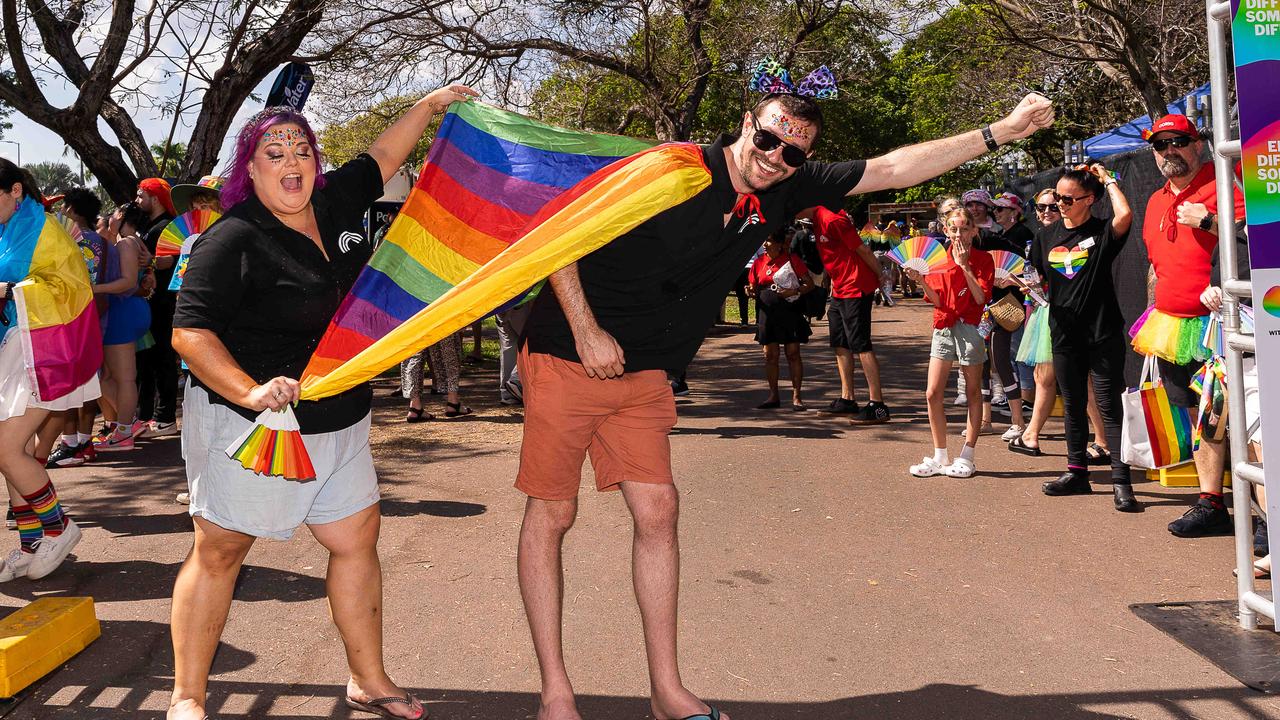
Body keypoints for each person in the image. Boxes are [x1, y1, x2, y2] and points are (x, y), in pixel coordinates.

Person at [515, 75, 1054, 720]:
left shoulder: (787, 188)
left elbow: (892, 168)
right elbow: (560, 230)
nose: (776, 158)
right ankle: (556, 695)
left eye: (793, 153)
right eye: (768, 140)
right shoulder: (670, 170)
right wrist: (585, 328)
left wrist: (998, 132)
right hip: (570, 353)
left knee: (658, 513)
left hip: (646, 372)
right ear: (748, 124)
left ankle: (666, 692)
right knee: (552, 515)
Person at [167, 84, 478, 720]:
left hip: (340, 416)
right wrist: (250, 391)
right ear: (249, 171)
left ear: (316, 160)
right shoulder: (231, 239)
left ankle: (368, 680)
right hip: (247, 424)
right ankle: (187, 698)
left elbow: (382, 158)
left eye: (301, 150)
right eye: (273, 153)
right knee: (221, 549)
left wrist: (429, 105)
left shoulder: (336, 201)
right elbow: (188, 333)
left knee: (356, 537)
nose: (290, 163)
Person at [1131, 113, 1248, 537]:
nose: (1168, 152)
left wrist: (1207, 220)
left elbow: (1252, 238)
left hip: (1220, 324)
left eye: (1177, 141)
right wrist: (1151, 315)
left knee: (1233, 418)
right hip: (1171, 326)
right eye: (1160, 145)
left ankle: (1259, 513)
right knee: (1201, 419)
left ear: (1197, 144)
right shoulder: (1158, 198)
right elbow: (1155, 266)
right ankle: (1212, 502)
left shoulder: (1224, 184)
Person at [0, 158, 97, 581]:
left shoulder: (47, 228)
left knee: (5, 449)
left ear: (15, 190)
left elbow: (73, 288)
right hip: (16, 350)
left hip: (47, 352)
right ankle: (30, 542)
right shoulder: (8, 231)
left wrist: (9, 289)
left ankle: (58, 527)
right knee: (10, 454)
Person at [1031, 164, 1140, 512]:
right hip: (1064, 334)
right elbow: (1039, 276)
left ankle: (1122, 481)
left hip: (1102, 331)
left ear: (1089, 199)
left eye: (1067, 198)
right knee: (1073, 405)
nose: (1059, 204)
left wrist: (1108, 179)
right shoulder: (1046, 236)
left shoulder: (1101, 231)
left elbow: (1125, 214)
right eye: (1056, 196)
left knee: (1109, 407)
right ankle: (1076, 472)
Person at [1011, 189, 1112, 461]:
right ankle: (1035, 434)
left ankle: (1099, 440)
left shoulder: (1077, 238)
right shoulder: (1042, 239)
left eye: (1053, 206)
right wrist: (1022, 285)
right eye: (1039, 207)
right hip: (1045, 313)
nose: (1046, 212)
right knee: (1045, 378)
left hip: (1066, 318)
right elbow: (1040, 282)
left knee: (1060, 380)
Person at [904, 207, 994, 478]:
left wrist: (965, 266)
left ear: (974, 230)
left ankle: (967, 455)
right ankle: (939, 454)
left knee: (973, 391)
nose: (959, 234)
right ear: (945, 230)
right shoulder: (937, 260)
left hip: (970, 326)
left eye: (964, 228)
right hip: (943, 324)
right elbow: (938, 301)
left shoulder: (983, 259)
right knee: (932, 392)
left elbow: (980, 298)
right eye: (953, 229)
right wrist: (921, 281)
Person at [804, 206, 890, 423]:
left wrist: (880, 276)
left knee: (861, 344)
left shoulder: (833, 221)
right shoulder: (815, 221)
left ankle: (877, 405)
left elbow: (863, 250)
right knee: (840, 342)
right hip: (840, 289)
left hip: (856, 287)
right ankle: (847, 399)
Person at [44, 188, 108, 468]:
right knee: (87, 380)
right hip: (91, 313)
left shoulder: (66, 238)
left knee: (69, 382)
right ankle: (84, 442)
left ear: (71, 210)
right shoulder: (100, 241)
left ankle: (71, 443)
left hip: (67, 315)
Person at [92, 203, 154, 452]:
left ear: (124, 217)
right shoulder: (133, 242)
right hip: (125, 310)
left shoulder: (127, 243)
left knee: (124, 377)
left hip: (123, 311)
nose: (111, 216)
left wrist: (94, 289)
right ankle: (128, 424)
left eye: (116, 212)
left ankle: (125, 431)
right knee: (105, 376)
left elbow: (127, 282)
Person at [747, 225, 814, 410]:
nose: (765, 245)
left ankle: (797, 396)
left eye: (768, 241)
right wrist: (750, 291)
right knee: (770, 355)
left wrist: (795, 290)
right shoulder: (759, 262)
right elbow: (753, 286)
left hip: (789, 312)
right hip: (766, 314)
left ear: (778, 244)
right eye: (764, 241)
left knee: (792, 354)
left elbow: (809, 284)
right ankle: (773, 395)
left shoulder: (792, 260)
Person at [982, 192, 1030, 438]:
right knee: (984, 360)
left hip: (1007, 305)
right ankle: (986, 418)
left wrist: (1008, 280)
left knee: (1002, 360)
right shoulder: (996, 237)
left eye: (1000, 209)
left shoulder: (1022, 236)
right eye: (995, 210)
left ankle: (1018, 420)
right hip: (986, 308)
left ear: (1015, 212)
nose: (995, 213)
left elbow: (1027, 271)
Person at [133, 177, 178, 438]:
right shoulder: (148, 225)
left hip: (162, 303)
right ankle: (146, 416)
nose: (137, 200)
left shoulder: (166, 227)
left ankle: (165, 417)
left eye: (141, 195)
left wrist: (152, 261)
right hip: (147, 303)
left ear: (155, 198)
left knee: (162, 360)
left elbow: (174, 260)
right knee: (147, 362)